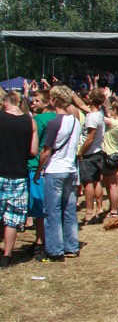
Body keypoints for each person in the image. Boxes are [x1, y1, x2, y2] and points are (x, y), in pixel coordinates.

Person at [34, 86, 83, 262]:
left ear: (55, 101)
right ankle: (71, 246)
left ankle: (54, 249)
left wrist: (38, 171)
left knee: (52, 211)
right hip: (71, 169)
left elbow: (46, 151)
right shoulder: (76, 121)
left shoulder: (55, 122)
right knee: (69, 210)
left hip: (55, 169)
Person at [0, 92, 38, 267]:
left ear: (5, 103)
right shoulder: (29, 121)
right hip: (19, 174)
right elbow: (33, 151)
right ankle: (7, 256)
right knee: (12, 218)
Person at [26, 90, 54, 260]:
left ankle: (40, 241)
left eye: (37, 100)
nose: (33, 103)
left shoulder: (38, 120)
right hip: (53, 167)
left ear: (46, 102)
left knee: (39, 209)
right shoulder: (57, 118)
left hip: (36, 165)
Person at [78, 88, 107, 225]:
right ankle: (99, 207)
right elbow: (82, 105)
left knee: (88, 182)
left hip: (90, 153)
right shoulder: (98, 113)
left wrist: (80, 152)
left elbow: (89, 138)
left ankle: (89, 212)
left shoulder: (92, 117)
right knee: (96, 181)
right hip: (98, 152)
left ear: (92, 99)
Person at [100, 101, 118, 220]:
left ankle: (114, 210)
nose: (110, 110)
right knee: (108, 183)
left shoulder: (115, 123)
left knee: (112, 185)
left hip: (111, 155)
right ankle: (112, 207)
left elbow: (99, 117)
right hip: (115, 153)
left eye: (112, 108)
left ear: (116, 110)